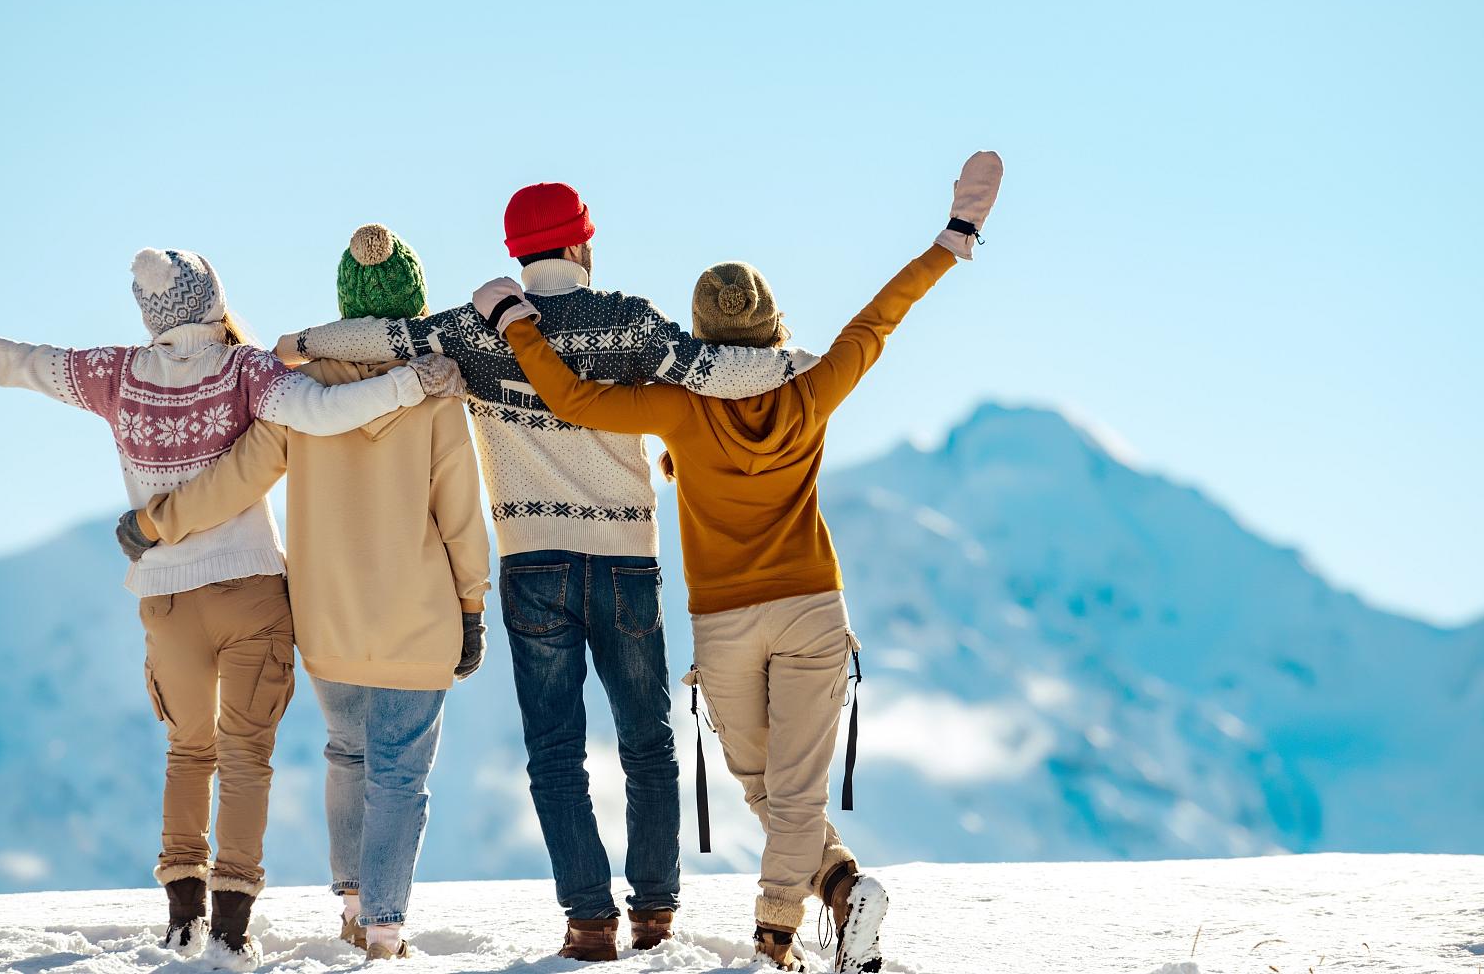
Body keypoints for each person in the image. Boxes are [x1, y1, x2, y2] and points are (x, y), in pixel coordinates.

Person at [0, 248, 463, 964]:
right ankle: (230, 928)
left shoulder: (114, 375)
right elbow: (325, 410)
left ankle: (183, 915)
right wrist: (411, 385)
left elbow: (17, 361)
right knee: (247, 759)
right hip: (251, 589)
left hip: (166, 598)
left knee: (188, 753)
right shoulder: (247, 371)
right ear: (212, 299)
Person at [475, 152, 1003, 973]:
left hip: (723, 624)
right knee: (781, 792)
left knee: (768, 787)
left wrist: (514, 322)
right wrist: (953, 237)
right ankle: (841, 889)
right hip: (812, 611)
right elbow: (880, 318)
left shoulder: (679, 409)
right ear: (773, 328)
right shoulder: (812, 389)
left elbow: (573, 400)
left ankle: (776, 939)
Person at [274, 185, 813, 961]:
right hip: (626, 562)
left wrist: (298, 341)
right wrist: (802, 363)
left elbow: (382, 336)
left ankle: (588, 920)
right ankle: (655, 914)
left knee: (556, 751)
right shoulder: (627, 319)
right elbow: (714, 370)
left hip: (532, 565)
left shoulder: (473, 331)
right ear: (583, 246)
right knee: (647, 743)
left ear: (517, 255)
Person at [119, 226, 488, 961]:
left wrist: (157, 522)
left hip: (324, 621)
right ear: (410, 306)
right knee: (400, 774)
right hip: (418, 618)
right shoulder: (437, 395)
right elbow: (461, 518)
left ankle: (354, 909)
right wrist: (473, 607)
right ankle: (384, 929)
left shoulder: (301, 391)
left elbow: (236, 480)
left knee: (347, 755)